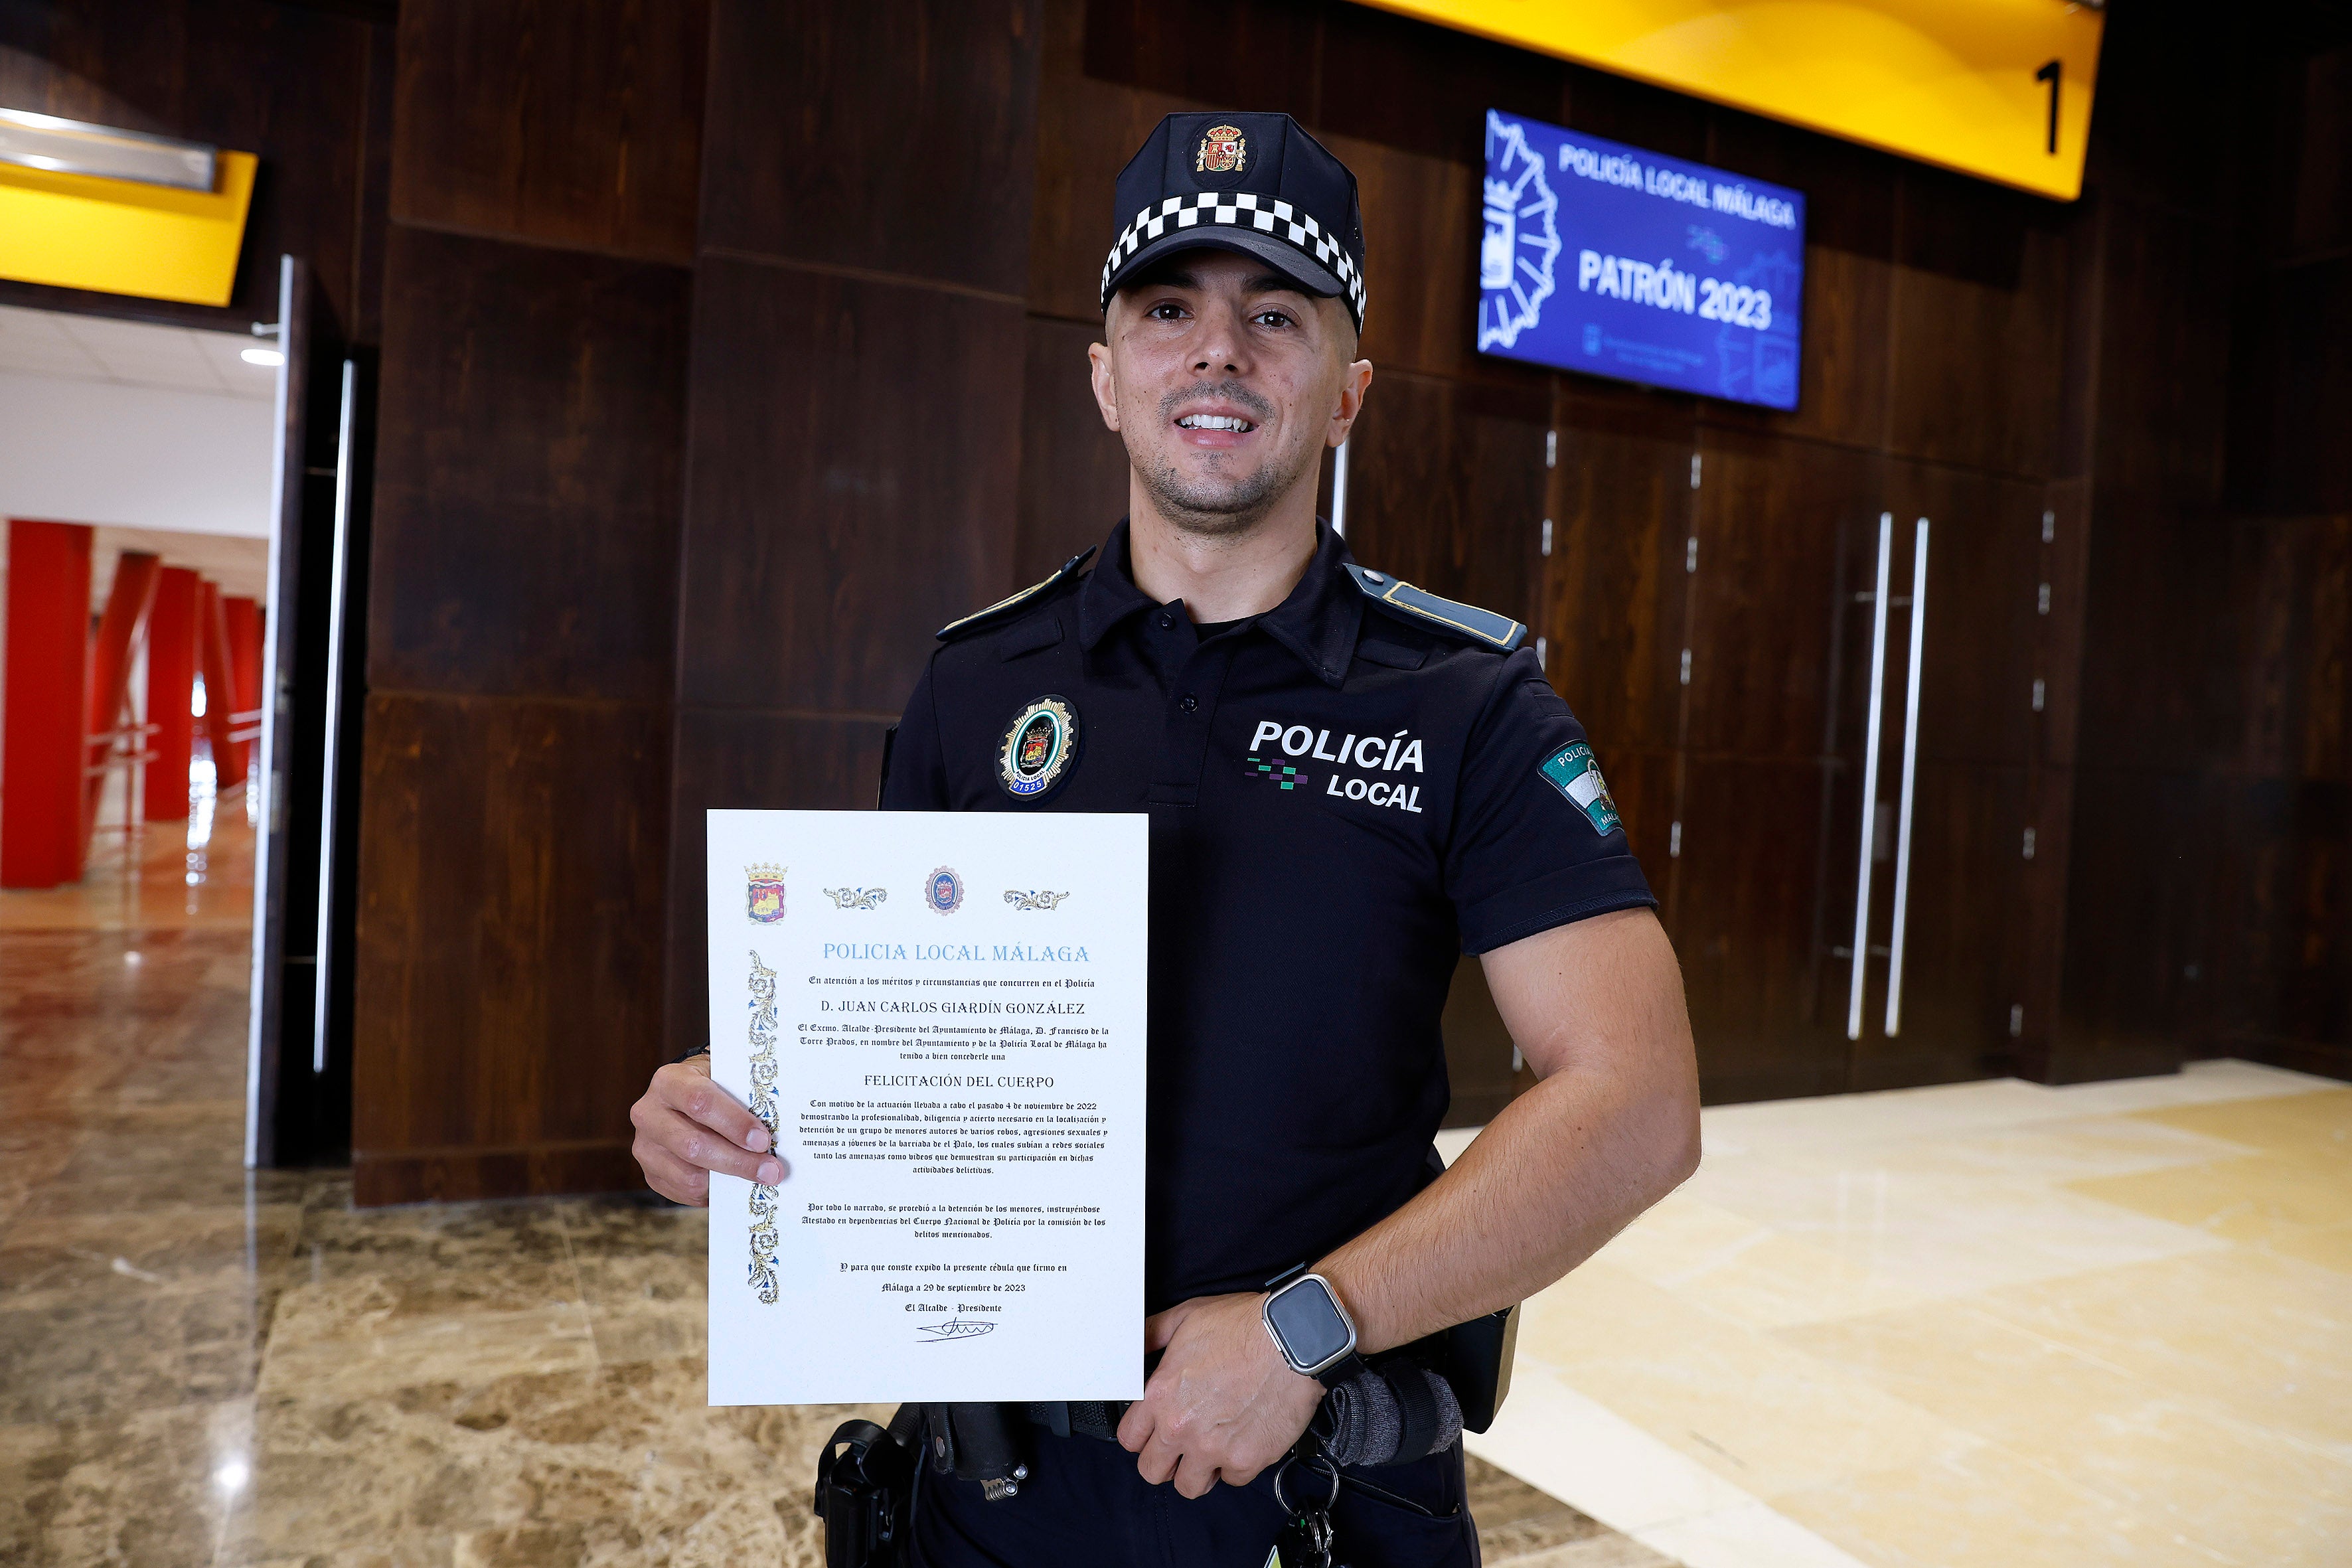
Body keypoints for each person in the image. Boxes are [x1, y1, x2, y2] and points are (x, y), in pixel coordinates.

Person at [630, 111, 1699, 1567]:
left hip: (1308, 1501)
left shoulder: (1468, 701)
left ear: (1347, 391)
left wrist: (1298, 1326)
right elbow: (899, 1043)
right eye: (1166, 309)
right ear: (1105, 376)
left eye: (1275, 314)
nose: (1217, 352)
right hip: (983, 1494)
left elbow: (1635, 1101)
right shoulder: (976, 682)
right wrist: (734, 1107)